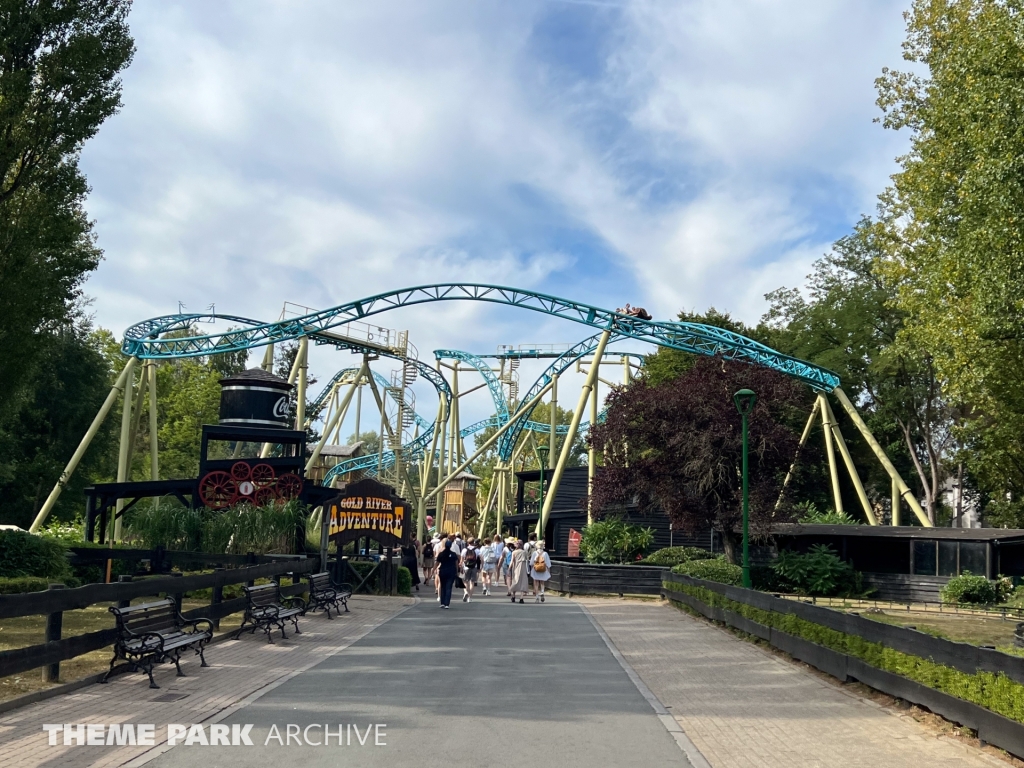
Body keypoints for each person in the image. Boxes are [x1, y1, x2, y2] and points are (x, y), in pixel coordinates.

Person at [435, 539, 459, 609]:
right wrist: (457, 572)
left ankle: (442, 603)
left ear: (445, 545)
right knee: (449, 587)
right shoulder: (453, 554)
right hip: (451, 571)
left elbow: (437, 563)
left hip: (443, 571)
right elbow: (456, 564)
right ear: (450, 546)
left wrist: (433, 570)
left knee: (443, 586)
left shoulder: (441, 554)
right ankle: (447, 604)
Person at [461, 537, 481, 602]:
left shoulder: (464, 550)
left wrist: (461, 566)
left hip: (466, 567)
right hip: (474, 567)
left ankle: (466, 592)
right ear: (473, 542)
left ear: (467, 542)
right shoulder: (477, 550)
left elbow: (461, 560)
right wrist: (480, 567)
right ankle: (469, 598)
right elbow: (481, 559)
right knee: (472, 583)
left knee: (465, 581)